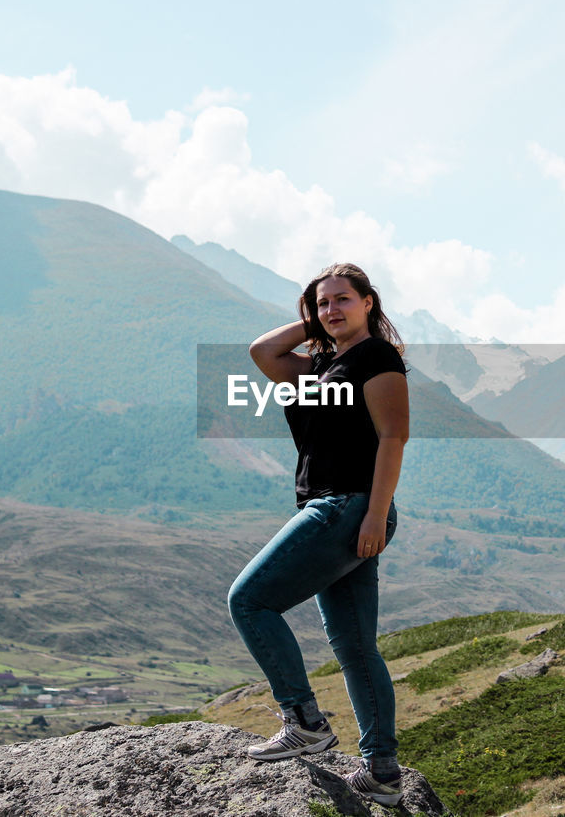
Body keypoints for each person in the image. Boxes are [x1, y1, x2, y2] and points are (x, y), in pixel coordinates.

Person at [228, 262, 410, 806]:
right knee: (355, 648)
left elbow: (393, 437)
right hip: (336, 508)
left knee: (250, 600)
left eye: (343, 300)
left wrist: (375, 516)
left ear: (369, 303)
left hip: (348, 507)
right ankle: (381, 771)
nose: (332, 309)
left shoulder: (376, 359)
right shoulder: (322, 367)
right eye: (322, 302)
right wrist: (317, 325)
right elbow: (263, 352)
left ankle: (303, 719)